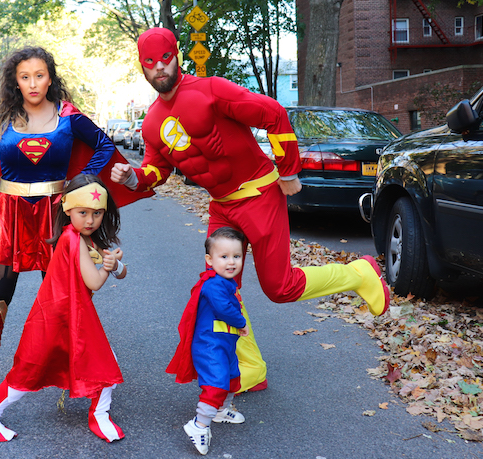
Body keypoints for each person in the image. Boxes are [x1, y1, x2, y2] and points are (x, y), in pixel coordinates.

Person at [111, 27, 390, 390]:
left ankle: (358, 273)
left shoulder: (210, 89)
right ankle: (251, 368)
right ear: (142, 67)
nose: (159, 68)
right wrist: (132, 178)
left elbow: (272, 113)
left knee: (280, 287)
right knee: (219, 290)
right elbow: (156, 170)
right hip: (222, 208)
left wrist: (288, 169)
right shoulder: (150, 124)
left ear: (177, 55)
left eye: (165, 58)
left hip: (258, 195)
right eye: (150, 63)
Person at [0, 47, 138, 398]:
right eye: (25, 77)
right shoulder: (1, 116)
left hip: (55, 215)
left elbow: (102, 145)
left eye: (39, 75)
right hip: (10, 214)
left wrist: (80, 180)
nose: (33, 83)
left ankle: (70, 365)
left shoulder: (68, 116)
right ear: (15, 81)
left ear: (50, 77)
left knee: (61, 293)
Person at [0, 175, 127, 442]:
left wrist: (116, 265)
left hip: (70, 317)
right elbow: (95, 281)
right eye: (83, 213)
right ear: (68, 210)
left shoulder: (82, 237)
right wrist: (108, 267)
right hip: (57, 319)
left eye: (97, 213)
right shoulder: (73, 239)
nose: (90, 220)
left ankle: (100, 415)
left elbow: (117, 270)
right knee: (26, 373)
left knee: (106, 363)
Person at [167, 227, 251, 455]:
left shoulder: (226, 282)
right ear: (209, 260)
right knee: (216, 383)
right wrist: (241, 322)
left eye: (237, 256)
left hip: (224, 344)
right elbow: (224, 309)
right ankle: (199, 425)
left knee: (233, 377)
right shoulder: (213, 284)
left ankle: (222, 410)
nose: (231, 262)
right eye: (224, 257)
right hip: (209, 345)